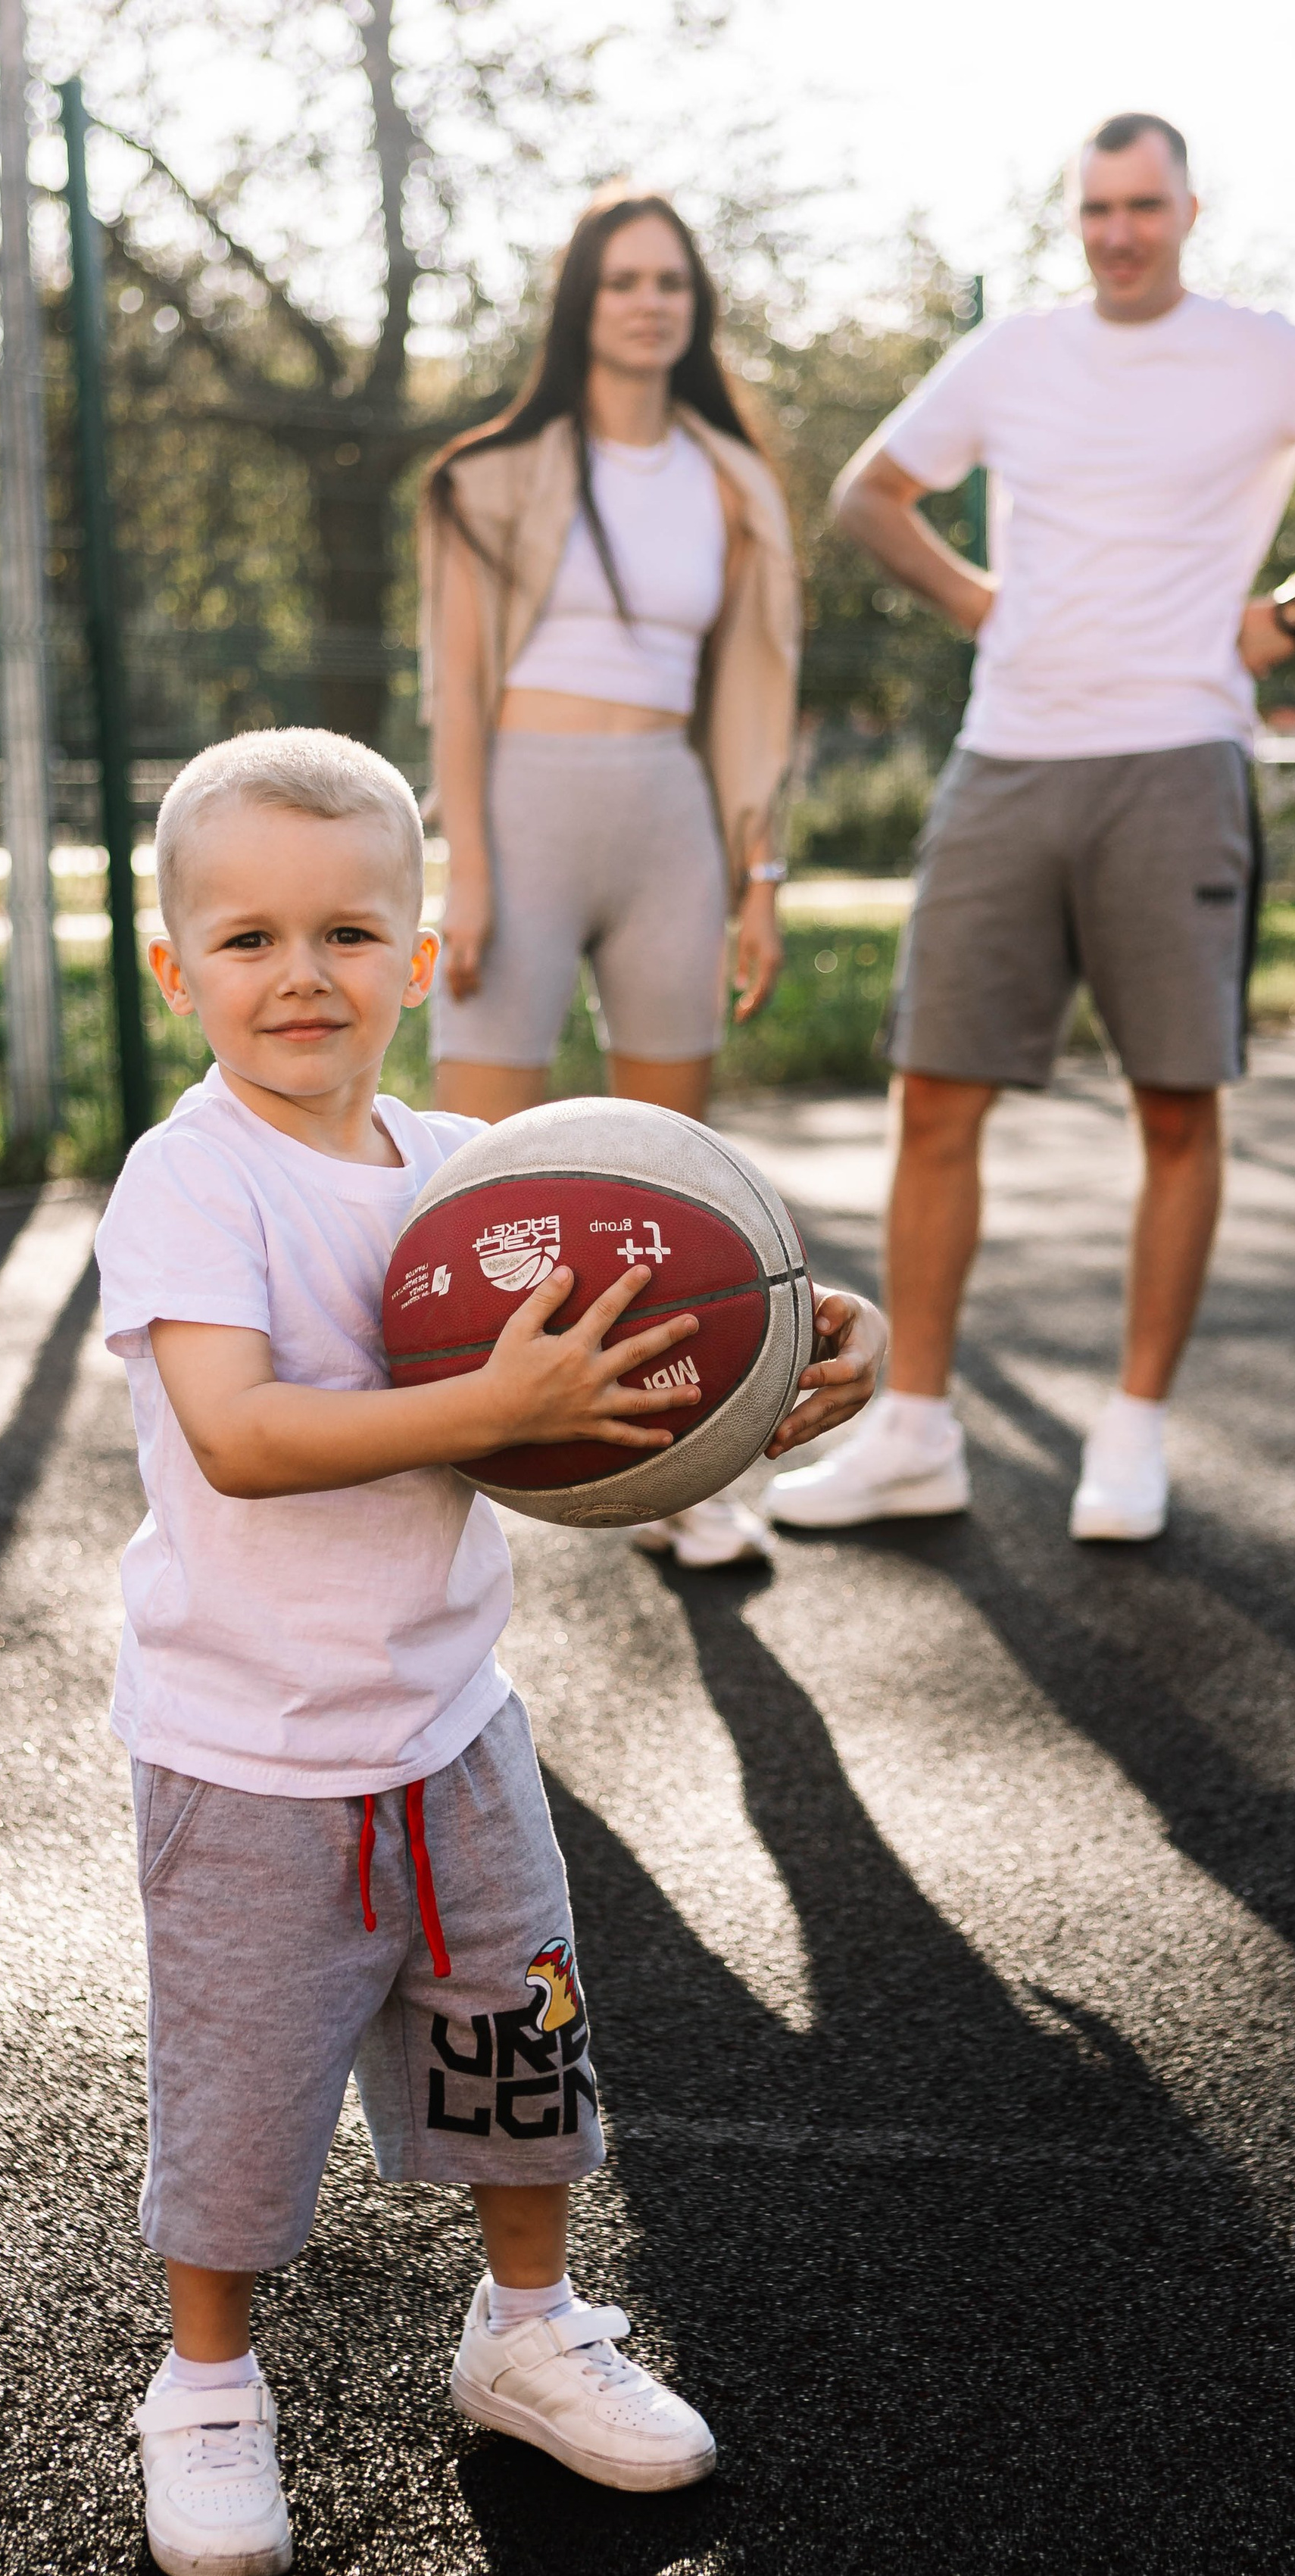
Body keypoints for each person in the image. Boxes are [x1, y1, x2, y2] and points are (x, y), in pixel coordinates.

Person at [92, 727, 885, 2576]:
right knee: (238, 2087)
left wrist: (791, 1351)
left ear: (425, 955)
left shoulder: (480, 1175)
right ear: (172, 968)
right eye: (248, 939)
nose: (301, 975)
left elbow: (641, 1364)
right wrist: (480, 1396)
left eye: (351, 932)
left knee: (518, 2042)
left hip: (453, 1727)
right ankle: (206, 2384)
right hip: (246, 1751)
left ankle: (525, 2328)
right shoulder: (187, 1179)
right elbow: (243, 1434)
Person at [768, 111, 1295, 1546]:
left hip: (1180, 758)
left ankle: (1134, 1432)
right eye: (1096, 208)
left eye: (1143, 207)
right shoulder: (1017, 354)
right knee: (936, 1097)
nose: (1118, 233)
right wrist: (982, 604)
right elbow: (868, 493)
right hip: (1007, 760)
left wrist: (1294, 616)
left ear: (1190, 211)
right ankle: (912, 1430)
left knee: (1174, 1103)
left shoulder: (1263, 350)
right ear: (1076, 215)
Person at [419, 186, 804, 1570]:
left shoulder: (733, 481)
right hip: (521, 806)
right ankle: (450, 1487)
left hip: (668, 820)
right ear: (583, 300)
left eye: (674, 283)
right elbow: (455, 693)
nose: (653, 302)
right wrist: (460, 866)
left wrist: (760, 871)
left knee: (675, 1184)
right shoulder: (487, 475)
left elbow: (756, 693)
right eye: (626, 279)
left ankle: (683, 1478)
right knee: (471, 1187)